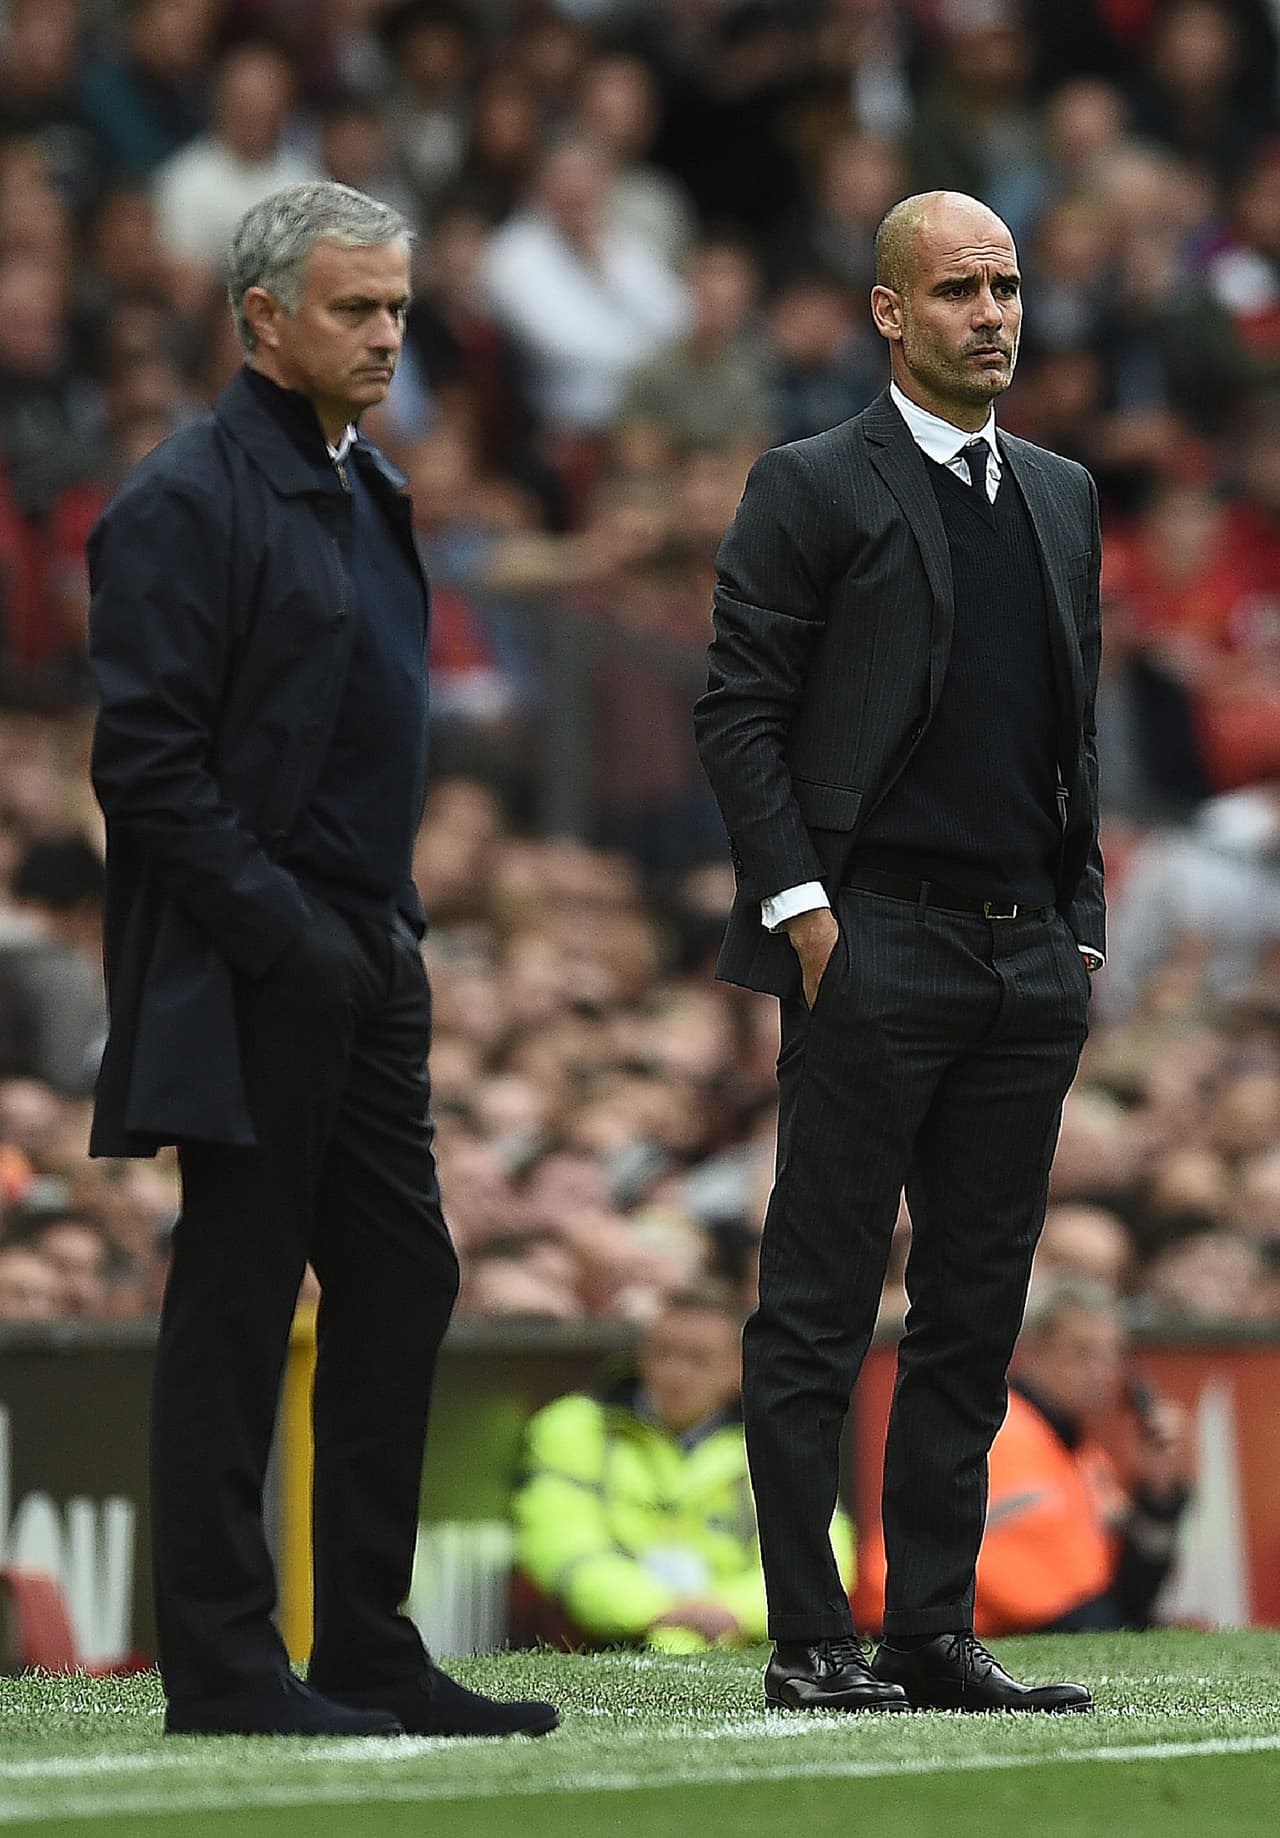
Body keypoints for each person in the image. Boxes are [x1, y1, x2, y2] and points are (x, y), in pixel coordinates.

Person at [87, 181, 557, 1741]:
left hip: (368, 941)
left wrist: (381, 933)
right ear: (264, 316)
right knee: (234, 1291)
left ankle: (364, 1641)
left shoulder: (374, 491)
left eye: (398, 310)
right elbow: (146, 765)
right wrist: (283, 928)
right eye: (354, 309)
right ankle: (223, 1663)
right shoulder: (181, 501)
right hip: (254, 951)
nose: (384, 337)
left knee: (401, 1272)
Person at [694, 190, 1104, 1715]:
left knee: (975, 1313)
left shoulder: (1062, 493)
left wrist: (1084, 921)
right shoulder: (807, 483)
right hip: (875, 945)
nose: (992, 314)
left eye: (1006, 288)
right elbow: (736, 711)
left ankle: (930, 1628)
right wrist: (803, 913)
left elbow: (1074, 728)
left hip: (1023, 961)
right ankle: (812, 1632)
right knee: (816, 1302)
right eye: (957, 291)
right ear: (888, 313)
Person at [512, 1290, 853, 1651]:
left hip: (744, 1637)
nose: (676, 1373)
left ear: (737, 1367)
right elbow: (558, 1540)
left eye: (699, 1359)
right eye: (663, 1353)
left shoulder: (779, 1437)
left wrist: (732, 1611)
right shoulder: (574, 1426)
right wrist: (654, 1611)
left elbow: (820, 1550)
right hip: (606, 1635)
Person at [852, 1278, 1192, 1636]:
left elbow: (1125, 1596)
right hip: (906, 1632)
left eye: (1113, 1354)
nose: (1103, 1371)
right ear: (1033, 1352)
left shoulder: (1084, 1458)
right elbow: (1067, 1615)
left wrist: (1158, 1497)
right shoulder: (1004, 1435)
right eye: (1082, 1352)